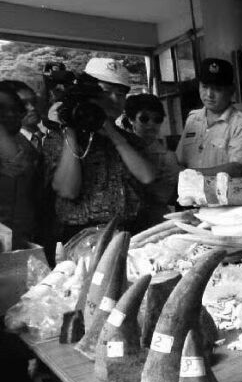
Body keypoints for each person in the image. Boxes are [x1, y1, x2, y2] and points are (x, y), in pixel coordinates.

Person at [43, 58, 157, 240]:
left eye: (120, 94)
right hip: (81, 237)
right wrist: (69, 130)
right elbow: (68, 190)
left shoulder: (129, 140)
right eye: (105, 92)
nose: (114, 99)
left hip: (130, 232)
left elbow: (147, 177)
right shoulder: (60, 137)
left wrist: (112, 133)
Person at [176, 58, 242, 176]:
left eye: (217, 89)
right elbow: (179, 160)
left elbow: (239, 169)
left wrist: (190, 175)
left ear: (231, 90)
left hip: (223, 188)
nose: (209, 94)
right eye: (204, 87)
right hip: (189, 187)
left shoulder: (241, 125)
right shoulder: (192, 119)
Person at [122, 94, 181, 229]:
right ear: (131, 119)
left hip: (154, 221)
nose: (151, 124)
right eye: (144, 119)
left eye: (157, 119)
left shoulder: (168, 157)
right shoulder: (120, 148)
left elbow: (164, 196)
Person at [0, 81, 40, 249]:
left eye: (15, 108)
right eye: (2, 109)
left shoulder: (25, 145)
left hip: (22, 239)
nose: (10, 114)